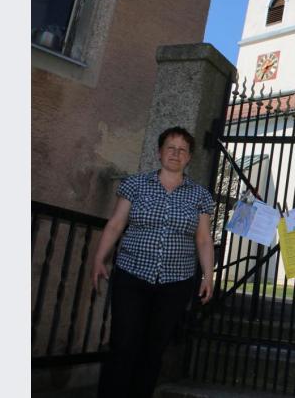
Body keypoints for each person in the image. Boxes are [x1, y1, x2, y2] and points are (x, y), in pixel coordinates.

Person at [91, 126, 215, 398]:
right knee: (123, 344)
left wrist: (208, 276)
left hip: (175, 283)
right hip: (132, 276)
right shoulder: (135, 185)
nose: (176, 153)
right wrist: (99, 258)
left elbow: (204, 239)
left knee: (153, 348)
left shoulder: (200, 196)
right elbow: (116, 224)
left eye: (182, 150)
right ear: (159, 153)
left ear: (189, 158)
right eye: (170, 148)